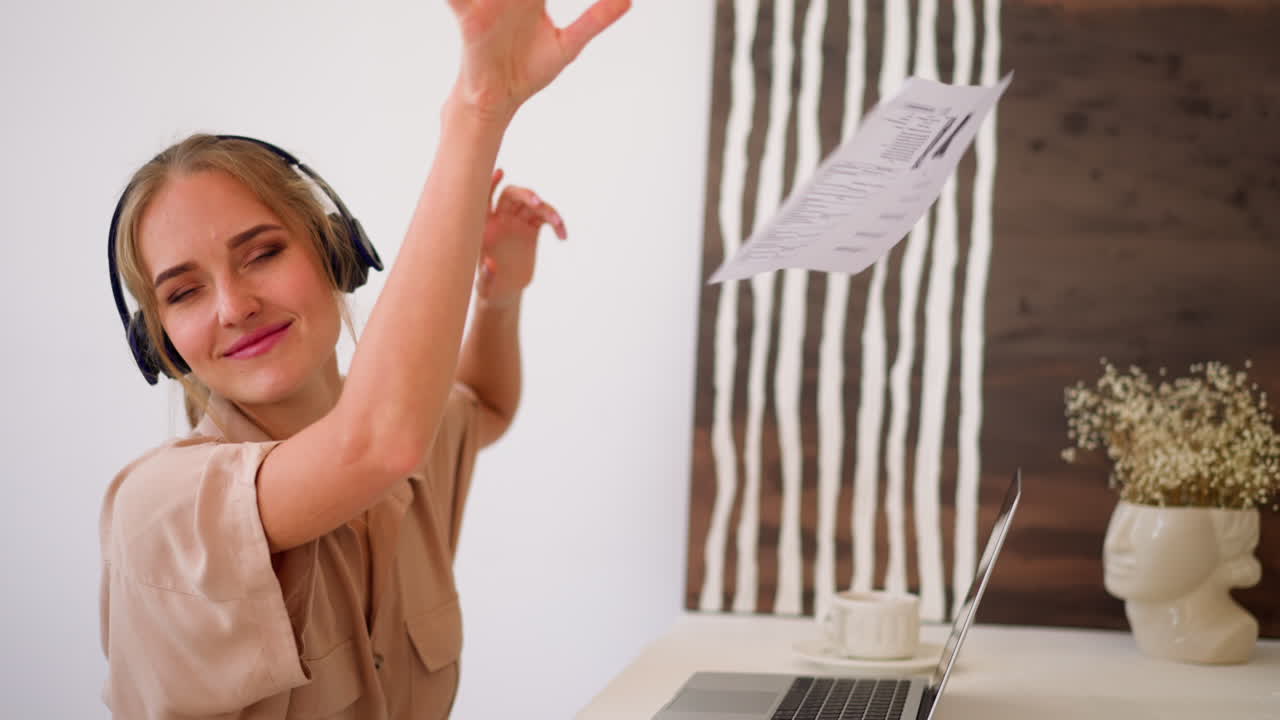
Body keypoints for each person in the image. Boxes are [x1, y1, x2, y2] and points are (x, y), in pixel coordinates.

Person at [98, 1, 630, 717]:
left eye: (262, 253)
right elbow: (378, 442)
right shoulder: (159, 510)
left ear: (337, 254)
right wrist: (478, 112)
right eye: (185, 292)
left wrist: (500, 298)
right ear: (159, 344)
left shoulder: (407, 440)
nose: (233, 305)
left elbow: (483, 405)